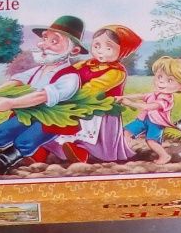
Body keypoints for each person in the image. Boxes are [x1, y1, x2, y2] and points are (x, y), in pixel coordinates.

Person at [0, 15, 86, 175]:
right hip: (30, 112)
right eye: (45, 39)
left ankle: (4, 160)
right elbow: (18, 81)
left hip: (54, 120)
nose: (44, 45)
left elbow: (42, 96)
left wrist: (11, 103)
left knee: (30, 137)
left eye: (54, 41)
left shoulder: (70, 77)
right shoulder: (39, 69)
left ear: (74, 50)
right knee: (8, 127)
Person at [41, 24, 142, 164]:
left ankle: (82, 153)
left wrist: (67, 95)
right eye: (96, 46)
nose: (100, 51)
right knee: (57, 127)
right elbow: (68, 71)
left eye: (108, 48)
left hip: (100, 110)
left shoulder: (116, 72)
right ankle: (43, 151)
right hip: (78, 104)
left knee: (88, 135)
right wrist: (57, 83)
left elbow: (93, 88)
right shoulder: (87, 63)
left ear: (121, 52)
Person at [120, 56, 181, 164]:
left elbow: (149, 106)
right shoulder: (156, 93)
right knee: (127, 131)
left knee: (151, 141)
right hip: (143, 119)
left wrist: (130, 103)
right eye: (160, 76)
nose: (161, 82)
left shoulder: (166, 99)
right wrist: (123, 97)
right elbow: (142, 95)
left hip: (155, 123)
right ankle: (124, 151)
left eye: (169, 80)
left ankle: (165, 156)